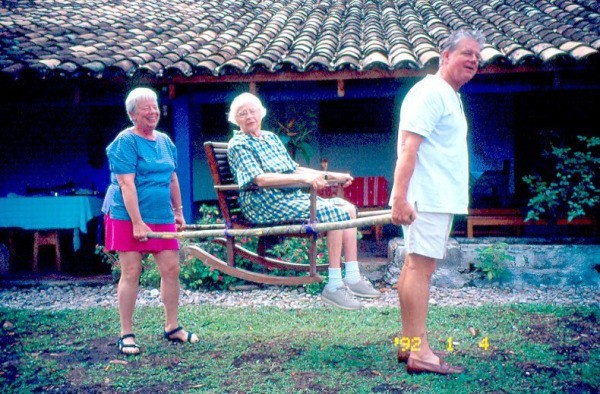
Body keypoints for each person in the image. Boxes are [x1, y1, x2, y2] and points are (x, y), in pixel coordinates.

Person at [226, 92, 381, 310]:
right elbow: (260, 180)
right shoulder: (238, 144)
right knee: (336, 214)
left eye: (253, 111)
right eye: (242, 113)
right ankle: (334, 286)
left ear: (261, 112)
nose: (249, 116)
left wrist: (333, 176)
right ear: (235, 119)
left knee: (348, 209)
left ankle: (353, 276)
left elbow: (295, 169)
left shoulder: (270, 137)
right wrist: (302, 179)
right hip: (262, 201)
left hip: (287, 196)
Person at [390, 28, 485, 374]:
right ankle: (420, 353)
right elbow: (408, 148)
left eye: (478, 56)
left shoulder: (448, 94)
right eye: (467, 53)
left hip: (434, 197)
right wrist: (399, 197)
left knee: (415, 267)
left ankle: (408, 345)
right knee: (420, 269)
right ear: (445, 56)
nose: (474, 60)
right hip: (426, 197)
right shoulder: (431, 92)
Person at [102, 87, 198, 355]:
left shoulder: (166, 141)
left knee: (171, 270)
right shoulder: (125, 141)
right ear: (132, 114)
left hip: (161, 215)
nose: (153, 111)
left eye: (155, 106)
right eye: (146, 108)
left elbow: (172, 177)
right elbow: (126, 183)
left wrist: (178, 211)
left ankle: (172, 326)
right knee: (131, 272)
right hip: (127, 215)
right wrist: (137, 222)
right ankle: (126, 334)